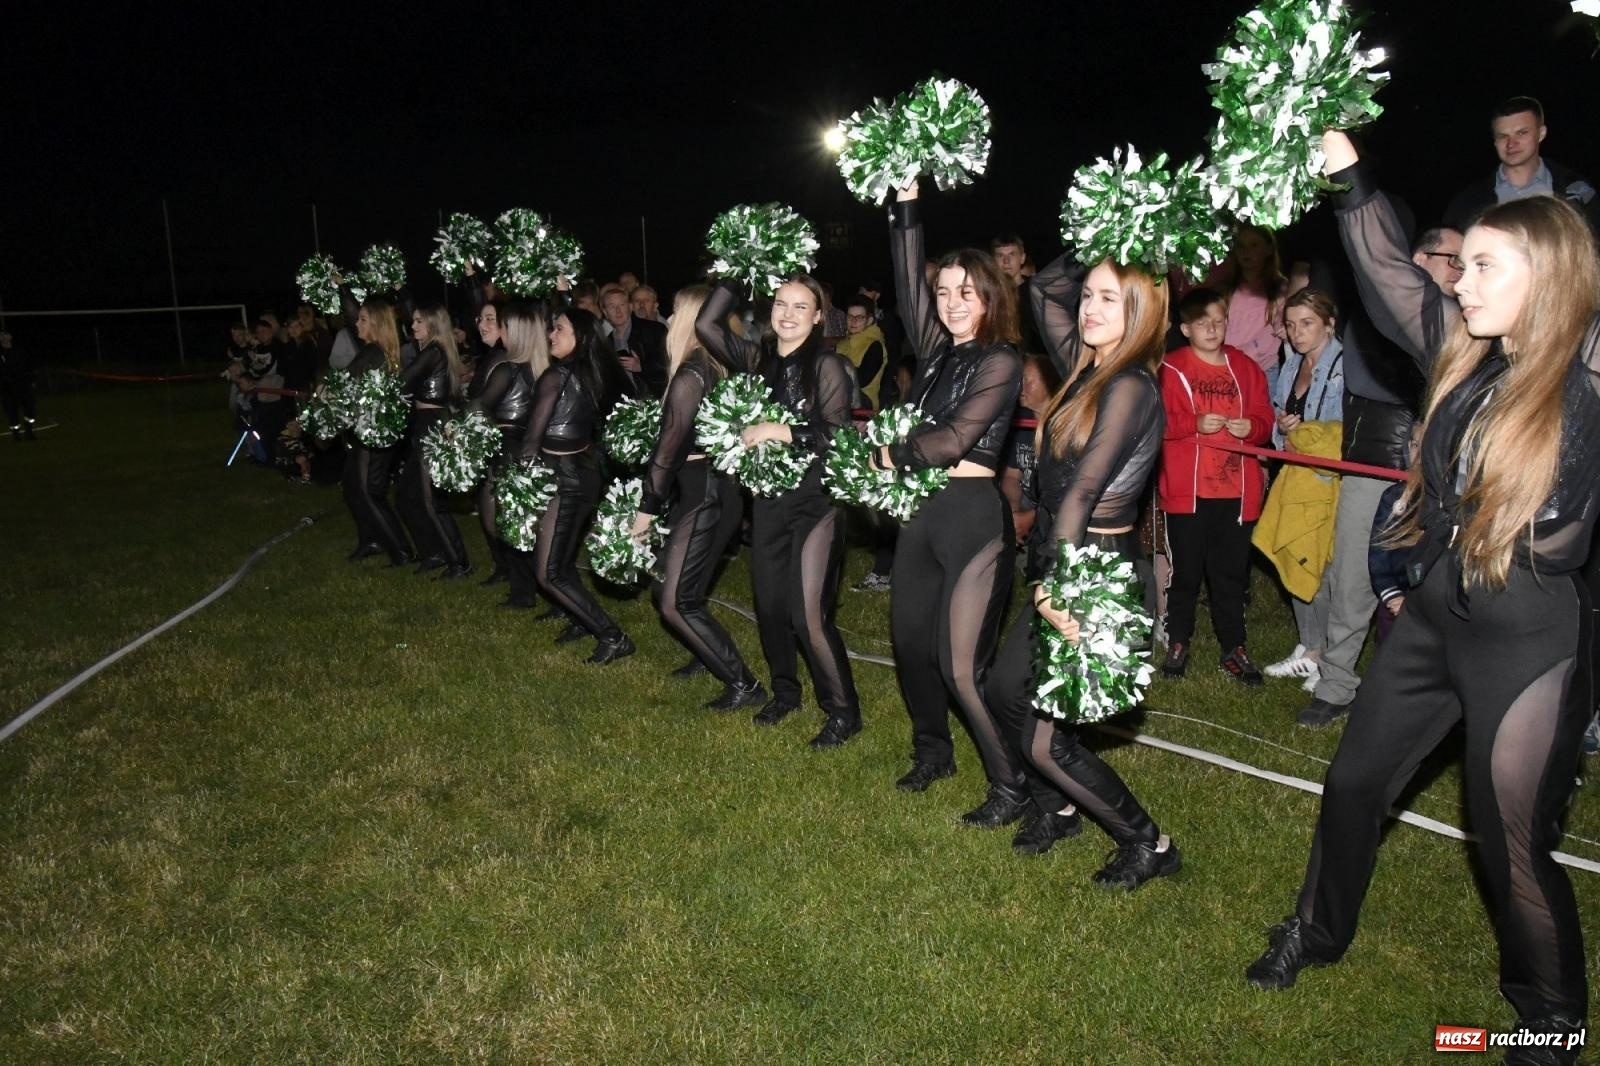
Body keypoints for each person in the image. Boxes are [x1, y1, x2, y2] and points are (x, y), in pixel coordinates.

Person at [1246, 130, 1600, 1066]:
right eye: (1462, 263)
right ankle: (1315, 933)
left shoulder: (1584, 386)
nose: (1461, 281)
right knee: (1354, 781)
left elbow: (1562, 543)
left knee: (1509, 843)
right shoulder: (1467, 356)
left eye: (1485, 266)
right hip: (1440, 614)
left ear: (1549, 277)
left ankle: (1550, 1019)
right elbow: (1389, 274)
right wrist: (1347, 173)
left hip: (1527, 637)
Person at [982, 246, 1180, 887]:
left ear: (1141, 311)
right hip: (1062, 554)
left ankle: (1148, 843)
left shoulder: (1128, 384)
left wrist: (1055, 587)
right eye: (1089, 295)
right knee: (1003, 691)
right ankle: (1058, 806)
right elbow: (1044, 292)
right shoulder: (1089, 370)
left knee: (1046, 738)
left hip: (1092, 571)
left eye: (1110, 299)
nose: (1090, 308)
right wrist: (1113, 231)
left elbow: (1081, 496)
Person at [881, 180, 1025, 813]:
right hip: (921, 517)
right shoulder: (937, 354)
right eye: (944, 292)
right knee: (912, 646)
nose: (951, 302)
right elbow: (910, 279)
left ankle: (1011, 784)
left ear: (989, 295)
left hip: (972, 520)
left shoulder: (1002, 359)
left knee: (961, 666)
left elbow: (956, 439)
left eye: (965, 291)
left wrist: (887, 453)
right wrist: (906, 203)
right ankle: (932, 753)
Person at [695, 273, 861, 749]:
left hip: (816, 503)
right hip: (768, 501)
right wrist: (739, 268)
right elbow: (708, 323)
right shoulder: (757, 360)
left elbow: (838, 438)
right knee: (769, 604)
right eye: (780, 304)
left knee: (808, 612)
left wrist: (783, 431)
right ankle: (785, 692)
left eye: (800, 306)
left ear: (817, 315)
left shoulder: (827, 365)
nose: (787, 314)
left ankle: (843, 711)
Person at [631, 285, 765, 707]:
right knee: (683, 590)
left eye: (673, 312)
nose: (668, 321)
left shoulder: (692, 373)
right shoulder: (716, 364)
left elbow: (666, 453)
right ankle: (707, 654)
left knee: (672, 600)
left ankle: (744, 684)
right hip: (716, 489)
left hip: (704, 494)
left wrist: (644, 512)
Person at [1158, 287, 1274, 683]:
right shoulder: (1169, 369)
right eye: (1202, 321)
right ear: (1185, 328)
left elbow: (1264, 419)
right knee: (1185, 572)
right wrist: (1192, 424)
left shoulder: (1245, 367)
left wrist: (1253, 428)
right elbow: (1153, 423)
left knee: (1231, 575)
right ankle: (1178, 641)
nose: (1212, 328)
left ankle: (1234, 647)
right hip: (1188, 493)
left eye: (1219, 320)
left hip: (1237, 492)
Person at [520, 303, 635, 664]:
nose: (551, 335)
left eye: (560, 329)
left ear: (580, 337)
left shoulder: (556, 377)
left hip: (566, 481)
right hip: (582, 476)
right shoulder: (594, 373)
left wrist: (515, 474)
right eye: (552, 328)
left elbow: (531, 442)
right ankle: (580, 618)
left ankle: (613, 636)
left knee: (549, 573)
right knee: (563, 560)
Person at [1262, 289, 1347, 698]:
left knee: (1325, 570)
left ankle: (1328, 656)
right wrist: (1283, 426)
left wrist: (1302, 434)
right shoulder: (1290, 363)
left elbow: (1344, 434)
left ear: (1329, 322)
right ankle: (1310, 647)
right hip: (1294, 475)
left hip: (1328, 482)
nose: (1297, 333)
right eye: (1291, 324)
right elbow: (1283, 429)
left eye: (1307, 323)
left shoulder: (1346, 367)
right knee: (1294, 555)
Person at [471, 304, 543, 609]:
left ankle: (524, 591)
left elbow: (479, 407)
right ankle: (530, 588)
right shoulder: (540, 366)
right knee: (516, 523)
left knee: (505, 524)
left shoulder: (507, 367)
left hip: (507, 449)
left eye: (504, 325)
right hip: (525, 449)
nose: (499, 329)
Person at [1443, 96, 1599, 234]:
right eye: (1503, 136)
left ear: (1541, 133)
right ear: (1495, 142)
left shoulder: (1576, 190)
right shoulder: (1469, 201)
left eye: (1521, 133)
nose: (1511, 143)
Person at [395, 303, 471, 579]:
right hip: (425, 424)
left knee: (429, 500)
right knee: (406, 494)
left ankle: (459, 562)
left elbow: (403, 382)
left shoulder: (433, 350)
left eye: (418, 321)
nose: (412, 326)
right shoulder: (432, 349)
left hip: (432, 425)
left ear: (433, 324)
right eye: (412, 320)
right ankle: (434, 552)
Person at [340, 297, 413, 566]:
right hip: (370, 430)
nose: (356, 324)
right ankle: (370, 539)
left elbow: (346, 380)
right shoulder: (376, 350)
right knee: (352, 486)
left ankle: (401, 550)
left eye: (362, 320)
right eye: (357, 318)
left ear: (376, 324)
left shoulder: (374, 353)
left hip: (374, 433)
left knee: (370, 491)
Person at [601, 283, 669, 396]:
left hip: (656, 401)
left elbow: (671, 363)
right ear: (605, 312)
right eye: (612, 307)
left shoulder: (655, 330)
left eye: (622, 305)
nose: (618, 311)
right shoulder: (607, 344)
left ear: (630, 307)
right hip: (627, 408)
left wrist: (642, 366)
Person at [0, 330, 38, 441]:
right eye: (2, 336)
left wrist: (32, 379)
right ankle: (16, 434)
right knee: (11, 412)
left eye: (6, 335)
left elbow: (28, 364)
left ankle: (29, 431)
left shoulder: (19, 351)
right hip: (7, 388)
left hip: (23, 385)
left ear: (10, 337)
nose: (5, 337)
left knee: (29, 409)